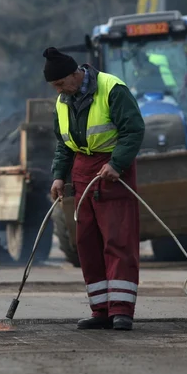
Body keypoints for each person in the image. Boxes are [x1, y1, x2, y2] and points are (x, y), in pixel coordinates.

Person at [44, 46, 145, 331]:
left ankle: (122, 310)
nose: (58, 91)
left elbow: (133, 130)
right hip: (82, 170)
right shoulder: (63, 101)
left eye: (61, 84)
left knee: (118, 240)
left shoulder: (113, 89)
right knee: (86, 243)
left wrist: (118, 163)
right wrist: (58, 176)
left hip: (113, 169)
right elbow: (63, 143)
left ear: (75, 74)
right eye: (54, 87)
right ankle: (100, 310)